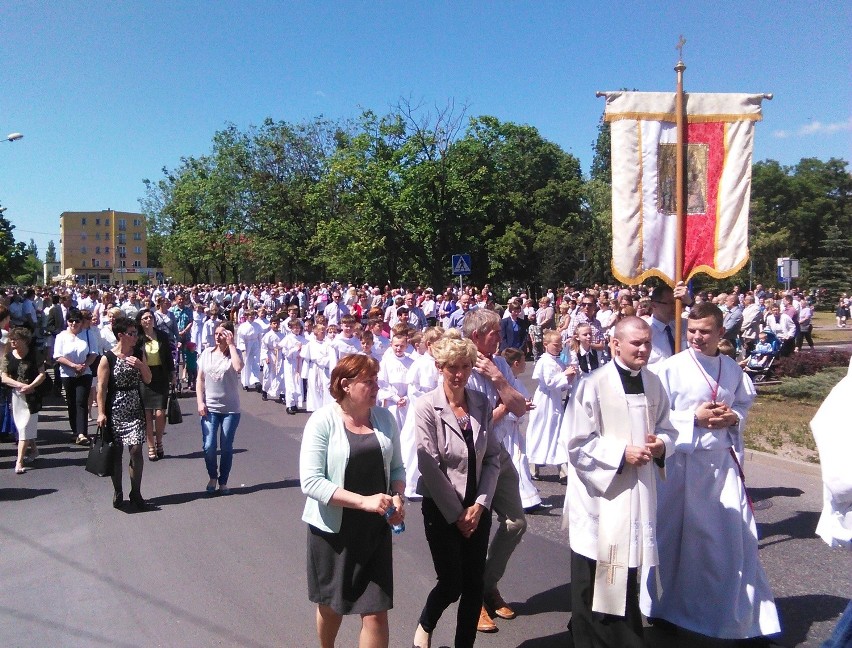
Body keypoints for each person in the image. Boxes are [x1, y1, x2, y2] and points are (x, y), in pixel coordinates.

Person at [640, 303, 781, 640]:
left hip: (721, 466)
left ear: (720, 333)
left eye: (704, 332)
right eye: (691, 331)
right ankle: (669, 607)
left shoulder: (732, 369)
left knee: (733, 540)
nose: (697, 337)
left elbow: (743, 405)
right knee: (677, 541)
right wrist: (693, 419)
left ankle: (735, 614)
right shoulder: (670, 369)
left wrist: (734, 418)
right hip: (681, 469)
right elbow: (653, 417)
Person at [563, 316, 677, 647]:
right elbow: (575, 443)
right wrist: (619, 454)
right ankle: (593, 639)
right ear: (615, 344)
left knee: (624, 576)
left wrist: (661, 445)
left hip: (636, 496)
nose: (643, 349)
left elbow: (668, 427)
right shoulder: (593, 383)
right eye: (636, 343)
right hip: (603, 497)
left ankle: (619, 637)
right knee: (593, 578)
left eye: (647, 343)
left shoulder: (654, 383)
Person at [299, 353, 405, 648]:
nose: (376, 387)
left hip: (374, 531)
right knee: (333, 606)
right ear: (345, 385)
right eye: (368, 382)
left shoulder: (384, 418)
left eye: (376, 381)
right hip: (333, 531)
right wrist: (364, 502)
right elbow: (311, 482)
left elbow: (397, 467)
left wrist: (398, 496)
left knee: (375, 613)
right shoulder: (322, 421)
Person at [412, 331, 501, 648]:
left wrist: (480, 504)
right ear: (440, 366)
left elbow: (493, 457)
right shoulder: (426, 407)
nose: (460, 374)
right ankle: (426, 622)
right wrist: (458, 514)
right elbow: (429, 465)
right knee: (451, 582)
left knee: (474, 583)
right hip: (442, 507)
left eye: (465, 366)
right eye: (453, 367)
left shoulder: (481, 402)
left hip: (477, 507)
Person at [462, 309, 528, 633]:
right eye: (494, 333)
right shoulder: (459, 363)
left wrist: (498, 379)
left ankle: (487, 585)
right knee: (474, 530)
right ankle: (473, 602)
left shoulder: (499, 363)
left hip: (498, 454)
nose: (500, 339)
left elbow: (519, 405)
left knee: (516, 523)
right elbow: (468, 423)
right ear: (476, 336)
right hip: (470, 459)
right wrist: (501, 409)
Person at [96, 317, 153, 510]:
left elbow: (148, 379)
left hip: (135, 406)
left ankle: (135, 492)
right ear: (120, 335)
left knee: (136, 450)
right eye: (131, 333)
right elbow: (101, 388)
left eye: (136, 333)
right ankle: (118, 489)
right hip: (115, 408)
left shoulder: (138, 353)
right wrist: (101, 412)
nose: (135, 336)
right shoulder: (108, 358)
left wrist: (141, 366)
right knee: (116, 453)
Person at [196, 321, 243, 495]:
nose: (218, 336)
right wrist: (200, 402)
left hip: (230, 409)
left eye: (222, 333)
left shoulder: (234, 354)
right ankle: (212, 476)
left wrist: (231, 345)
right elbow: (200, 379)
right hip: (210, 408)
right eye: (216, 333)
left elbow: (238, 367)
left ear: (229, 335)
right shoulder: (206, 353)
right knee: (208, 446)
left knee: (226, 447)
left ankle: (223, 481)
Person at [526, 329, 576, 479]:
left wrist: (570, 378)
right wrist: (564, 375)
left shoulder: (558, 360)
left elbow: (561, 384)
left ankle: (562, 467)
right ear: (546, 345)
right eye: (555, 345)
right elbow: (548, 382)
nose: (559, 348)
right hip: (544, 401)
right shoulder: (544, 361)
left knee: (557, 431)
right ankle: (533, 464)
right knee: (541, 430)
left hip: (555, 401)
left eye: (560, 345)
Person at [2, 327, 48, 474]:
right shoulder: (8, 357)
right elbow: (3, 376)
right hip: (16, 396)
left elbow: (42, 375)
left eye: (16, 339)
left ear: (25, 340)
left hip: (32, 396)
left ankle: (19, 461)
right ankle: (34, 450)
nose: (13, 342)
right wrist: (19, 385)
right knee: (23, 427)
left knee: (24, 428)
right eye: (11, 339)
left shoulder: (35, 355)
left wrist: (31, 386)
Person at [135, 310, 176, 461]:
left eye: (150, 317)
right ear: (140, 321)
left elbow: (168, 356)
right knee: (147, 414)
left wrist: (172, 373)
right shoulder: (138, 338)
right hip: (144, 376)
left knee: (159, 413)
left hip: (160, 375)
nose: (148, 320)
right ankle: (150, 445)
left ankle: (159, 441)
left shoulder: (162, 335)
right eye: (145, 318)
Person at [53, 308, 97, 446]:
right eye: (71, 321)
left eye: (76, 321)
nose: (73, 323)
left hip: (84, 373)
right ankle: (75, 431)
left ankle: (82, 433)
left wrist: (83, 366)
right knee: (71, 402)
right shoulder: (61, 336)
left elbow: (93, 353)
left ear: (81, 322)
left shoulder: (88, 334)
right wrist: (73, 366)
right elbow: (58, 356)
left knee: (81, 401)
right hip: (67, 373)